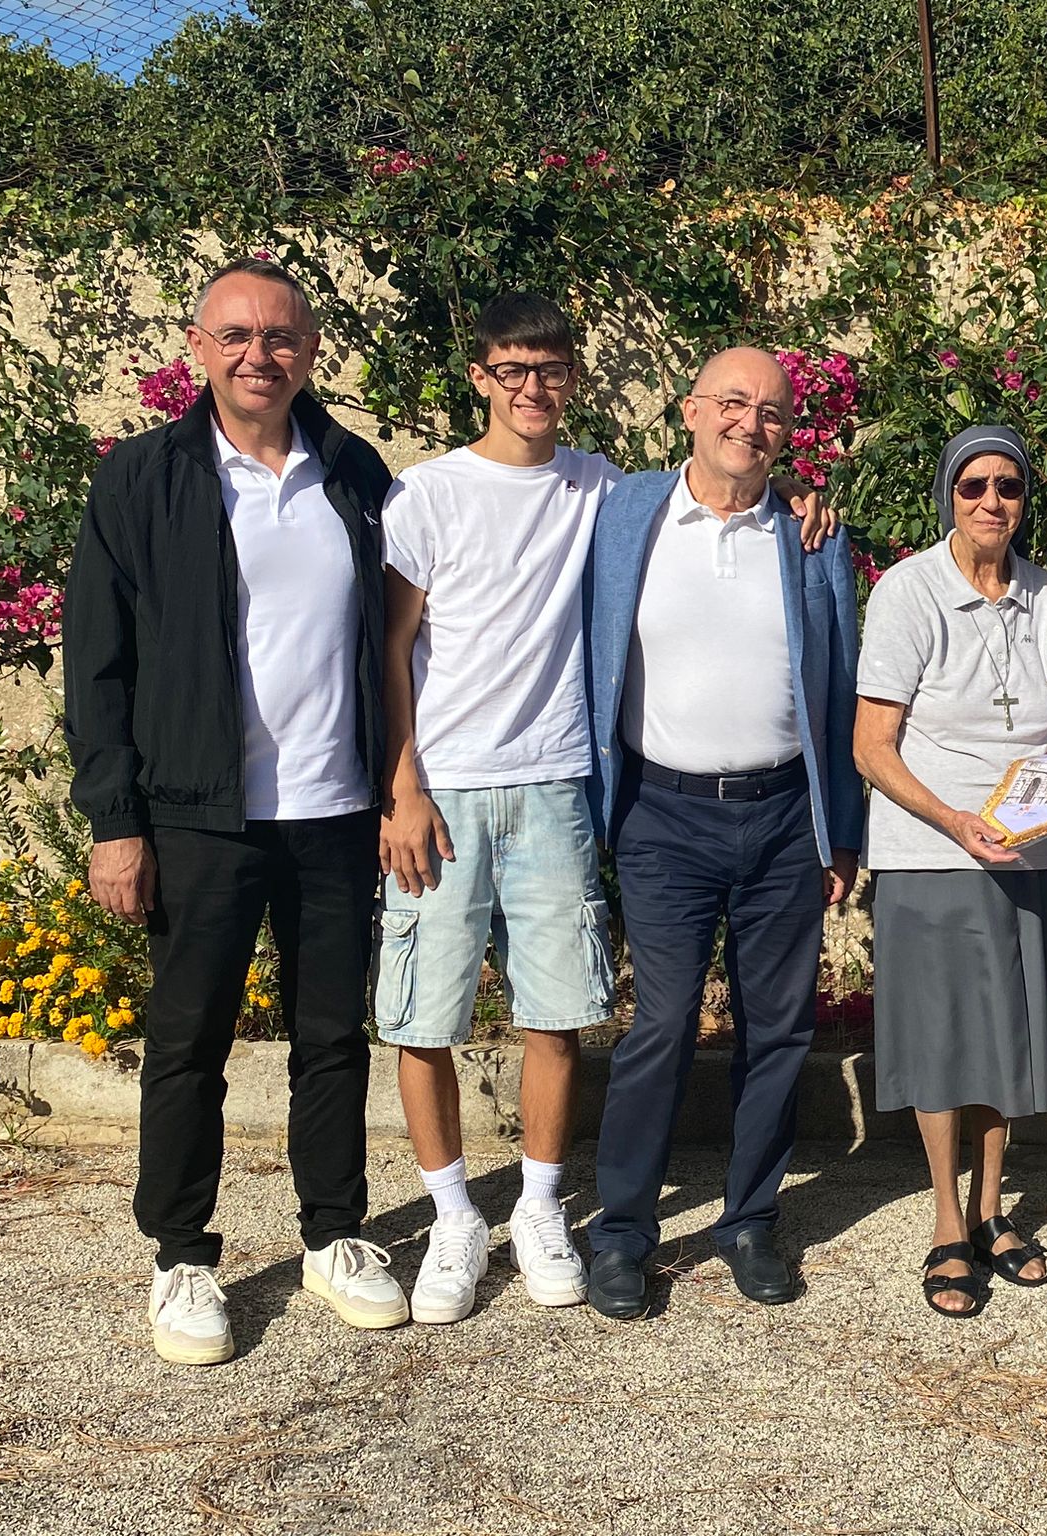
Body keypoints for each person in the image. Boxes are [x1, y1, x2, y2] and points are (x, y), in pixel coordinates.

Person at [65, 256, 408, 1364]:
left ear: (310, 351)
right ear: (199, 349)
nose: (261, 355)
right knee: (188, 1042)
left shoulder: (353, 471)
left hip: (334, 809)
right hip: (198, 814)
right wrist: (116, 821)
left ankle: (334, 1235)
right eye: (238, 336)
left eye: (282, 337)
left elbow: (407, 626)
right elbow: (98, 663)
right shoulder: (144, 477)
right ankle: (181, 1256)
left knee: (331, 1038)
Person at [583, 347, 863, 1316]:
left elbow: (838, 691)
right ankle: (621, 1231)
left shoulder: (811, 535)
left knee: (778, 1030)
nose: (751, 423)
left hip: (783, 817)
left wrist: (839, 832)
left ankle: (749, 1220)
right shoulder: (624, 513)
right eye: (733, 403)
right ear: (690, 410)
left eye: (773, 412)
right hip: (661, 816)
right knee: (660, 1025)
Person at [374, 292, 621, 1324]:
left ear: (572, 378)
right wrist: (402, 788)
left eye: (550, 369)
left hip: (555, 785)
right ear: (479, 377)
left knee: (556, 1014)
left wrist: (795, 495)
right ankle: (452, 1220)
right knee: (422, 1019)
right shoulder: (427, 494)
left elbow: (707, 499)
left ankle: (539, 1208)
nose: (532, 388)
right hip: (442, 794)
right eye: (512, 369)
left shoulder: (598, 486)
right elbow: (389, 648)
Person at [854, 426, 1047, 1319]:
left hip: (1030, 849)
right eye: (974, 485)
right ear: (949, 494)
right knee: (943, 1042)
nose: (992, 501)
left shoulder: (1046, 593)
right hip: (934, 854)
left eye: (1009, 487)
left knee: (1006, 1040)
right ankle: (947, 1222)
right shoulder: (909, 591)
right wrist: (955, 820)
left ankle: (991, 1211)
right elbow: (872, 747)